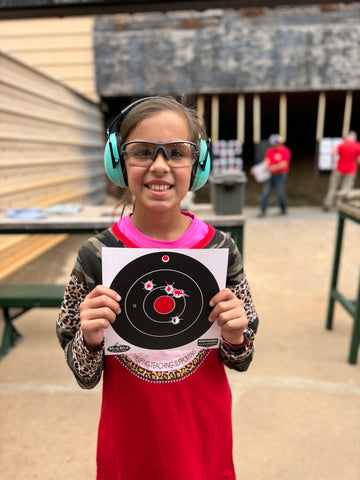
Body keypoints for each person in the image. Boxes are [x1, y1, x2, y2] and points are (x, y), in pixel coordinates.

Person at [56, 96, 259, 480]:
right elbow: (84, 374)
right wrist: (90, 338)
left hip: (202, 431)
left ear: (198, 165)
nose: (160, 165)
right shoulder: (96, 255)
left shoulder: (221, 249)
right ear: (117, 161)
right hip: (130, 433)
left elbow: (241, 358)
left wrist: (236, 335)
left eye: (177, 153)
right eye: (143, 152)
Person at [323, 131, 360, 211]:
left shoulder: (342, 144)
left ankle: (327, 205)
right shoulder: (357, 146)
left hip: (339, 168)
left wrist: (332, 161)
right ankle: (343, 207)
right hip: (351, 170)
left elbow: (333, 153)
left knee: (332, 188)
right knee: (346, 189)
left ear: (348, 137)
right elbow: (359, 159)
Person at [258, 134, 291, 216]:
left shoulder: (285, 151)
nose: (274, 145)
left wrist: (272, 168)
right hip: (270, 175)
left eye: (275, 143)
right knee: (265, 192)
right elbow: (267, 161)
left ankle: (283, 209)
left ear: (279, 142)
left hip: (281, 175)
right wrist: (259, 169)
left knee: (280, 193)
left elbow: (283, 164)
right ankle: (263, 210)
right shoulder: (270, 150)